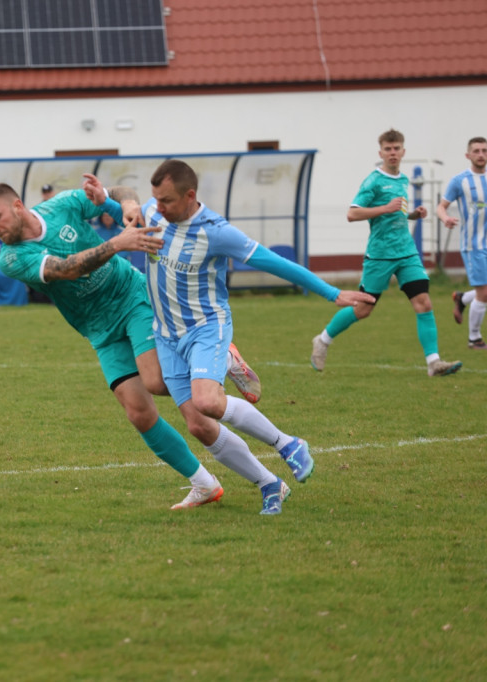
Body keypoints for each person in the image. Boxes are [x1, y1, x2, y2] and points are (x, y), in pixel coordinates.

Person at [0, 179, 258, 511]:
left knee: (157, 382)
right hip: (98, 328)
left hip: (131, 297)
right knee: (138, 413)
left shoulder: (61, 205)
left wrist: (126, 205)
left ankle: (217, 357)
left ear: (17, 206)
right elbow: (68, 270)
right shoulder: (10, 258)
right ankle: (203, 483)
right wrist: (116, 243)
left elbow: (121, 190)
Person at [137, 160, 375, 513]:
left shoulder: (216, 232)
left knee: (207, 403)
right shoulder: (153, 214)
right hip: (167, 336)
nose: (158, 208)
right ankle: (270, 483)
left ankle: (288, 444)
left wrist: (331, 293)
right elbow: (124, 203)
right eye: (155, 199)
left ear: (190, 196)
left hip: (206, 328)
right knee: (199, 426)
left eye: (167, 201)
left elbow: (272, 262)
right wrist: (106, 197)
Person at [310, 129, 462, 377]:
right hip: (380, 255)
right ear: (380, 152)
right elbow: (352, 213)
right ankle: (323, 340)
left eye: (397, 148)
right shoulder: (372, 181)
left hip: (406, 252)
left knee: (423, 302)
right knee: (363, 309)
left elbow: (396, 212)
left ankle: (433, 363)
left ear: (403, 151)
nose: (393, 153)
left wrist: (413, 214)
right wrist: (383, 207)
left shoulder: (403, 179)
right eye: (388, 149)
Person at [437, 136, 487, 350]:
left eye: (484, 150)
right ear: (468, 155)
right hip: (473, 245)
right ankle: (474, 338)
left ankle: (461, 298)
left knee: (484, 292)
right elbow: (441, 207)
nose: (481, 154)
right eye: (476, 151)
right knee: (484, 293)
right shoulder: (460, 181)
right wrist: (445, 218)